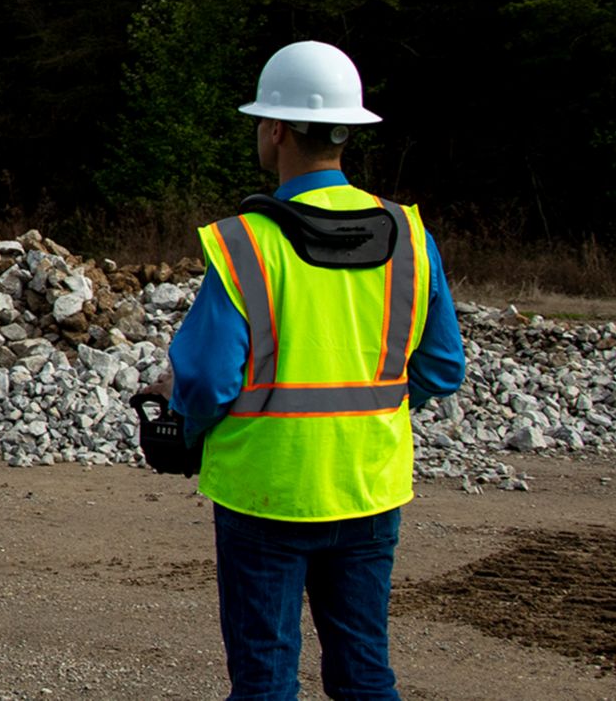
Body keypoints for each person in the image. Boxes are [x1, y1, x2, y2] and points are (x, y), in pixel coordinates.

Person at [165, 40, 466, 701]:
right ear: (346, 130)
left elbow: (206, 381)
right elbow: (443, 367)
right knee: (364, 673)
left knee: (266, 678)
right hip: (368, 486)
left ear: (275, 129)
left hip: (264, 491)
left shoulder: (247, 242)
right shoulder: (411, 237)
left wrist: (183, 426)